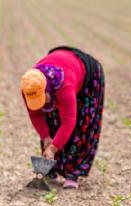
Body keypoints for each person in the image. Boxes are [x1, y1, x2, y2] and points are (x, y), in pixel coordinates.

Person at [21, 46, 104, 189]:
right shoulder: (29, 87)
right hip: (63, 65)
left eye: (42, 98)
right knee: (51, 120)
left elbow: (68, 121)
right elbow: (36, 115)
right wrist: (46, 137)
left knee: (82, 124)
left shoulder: (64, 86)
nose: (39, 103)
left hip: (87, 76)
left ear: (46, 88)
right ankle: (51, 170)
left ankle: (73, 173)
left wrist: (53, 148)